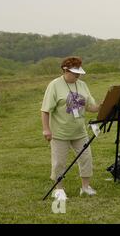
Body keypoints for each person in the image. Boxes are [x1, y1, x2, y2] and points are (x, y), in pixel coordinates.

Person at [41, 56, 101, 201]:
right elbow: (45, 110)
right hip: (60, 132)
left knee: (86, 158)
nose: (77, 75)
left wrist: (102, 106)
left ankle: (85, 187)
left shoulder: (82, 85)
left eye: (79, 73)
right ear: (65, 70)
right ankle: (59, 189)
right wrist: (46, 129)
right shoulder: (54, 85)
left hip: (80, 132)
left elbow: (91, 107)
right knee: (59, 162)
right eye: (75, 73)